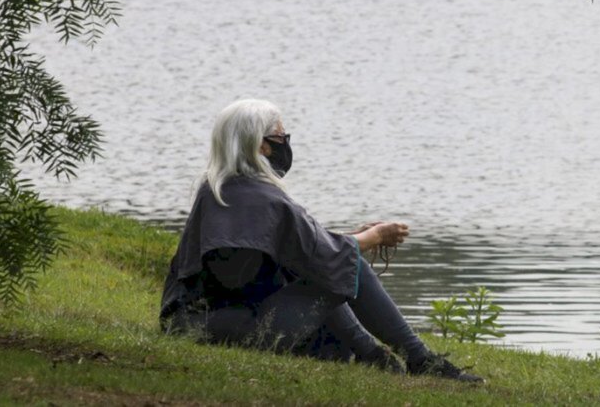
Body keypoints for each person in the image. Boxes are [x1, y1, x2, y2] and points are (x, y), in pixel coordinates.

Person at [159, 98, 482, 382]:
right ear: (261, 146)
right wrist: (373, 237)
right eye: (281, 136)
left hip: (193, 322)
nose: (286, 143)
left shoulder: (220, 187)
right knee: (349, 266)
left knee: (330, 282)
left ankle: (374, 356)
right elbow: (322, 255)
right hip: (215, 327)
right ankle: (418, 359)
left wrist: (353, 238)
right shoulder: (258, 196)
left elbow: (302, 250)